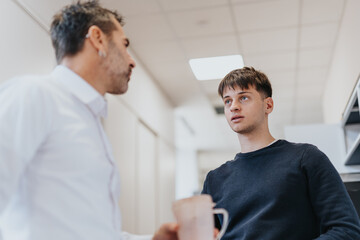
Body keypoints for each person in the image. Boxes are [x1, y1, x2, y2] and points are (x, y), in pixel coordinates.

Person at [0, 1, 178, 239]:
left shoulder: (89, 120)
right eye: (124, 45)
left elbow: (96, 232)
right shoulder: (34, 95)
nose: (131, 60)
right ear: (98, 38)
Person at [201, 67, 360, 239]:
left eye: (243, 97)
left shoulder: (305, 158)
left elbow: (346, 230)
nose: (234, 107)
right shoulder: (214, 180)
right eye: (227, 101)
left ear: (268, 105)